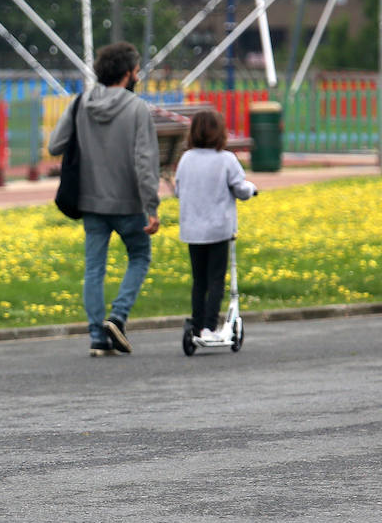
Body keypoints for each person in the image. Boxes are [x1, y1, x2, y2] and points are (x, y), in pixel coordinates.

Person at [46, 41, 160, 356]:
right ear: (127, 73)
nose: (138, 75)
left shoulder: (81, 102)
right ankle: (118, 316)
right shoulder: (137, 108)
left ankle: (97, 336)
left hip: (90, 201)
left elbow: (56, 145)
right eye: (137, 70)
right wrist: (152, 207)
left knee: (94, 267)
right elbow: (145, 161)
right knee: (140, 257)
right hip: (129, 204)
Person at [174, 109, 256, 342]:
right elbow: (240, 189)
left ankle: (197, 325)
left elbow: (179, 189)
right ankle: (210, 327)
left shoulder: (186, 159)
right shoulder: (226, 159)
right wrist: (251, 190)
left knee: (199, 279)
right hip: (219, 228)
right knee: (216, 279)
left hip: (192, 229)